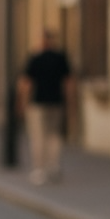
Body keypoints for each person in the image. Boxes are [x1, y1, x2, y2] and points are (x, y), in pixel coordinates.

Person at [19, 30, 75, 184]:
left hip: (38, 103)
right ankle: (54, 167)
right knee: (54, 136)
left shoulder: (35, 58)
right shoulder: (60, 57)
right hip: (56, 101)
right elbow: (68, 82)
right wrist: (70, 102)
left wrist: (23, 103)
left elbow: (26, 83)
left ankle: (40, 169)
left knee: (39, 137)